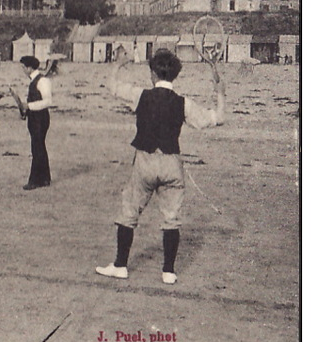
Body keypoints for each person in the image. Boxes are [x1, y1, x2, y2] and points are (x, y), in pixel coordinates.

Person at [96, 49, 225, 285]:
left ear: (153, 73)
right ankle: (168, 271)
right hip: (172, 164)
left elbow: (112, 86)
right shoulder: (183, 103)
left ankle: (121, 265)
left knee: (129, 213)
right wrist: (219, 90)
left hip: (145, 161)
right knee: (171, 219)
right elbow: (216, 118)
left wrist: (120, 63)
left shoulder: (140, 95)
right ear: (175, 75)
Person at [18, 55, 52, 190]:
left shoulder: (42, 81)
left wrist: (29, 106)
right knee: (39, 147)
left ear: (29, 68)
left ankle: (35, 181)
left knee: (37, 148)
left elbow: (48, 101)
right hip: (34, 117)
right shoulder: (35, 80)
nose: (22, 70)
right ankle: (45, 179)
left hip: (40, 118)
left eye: (23, 67)